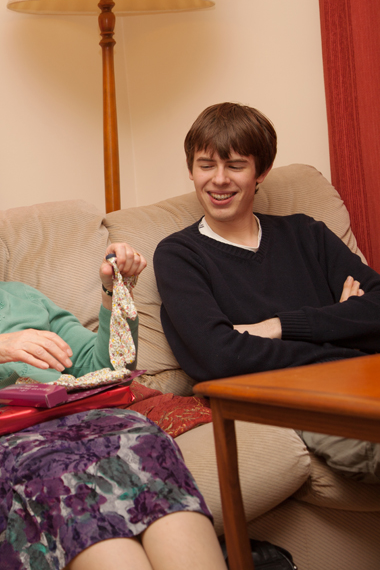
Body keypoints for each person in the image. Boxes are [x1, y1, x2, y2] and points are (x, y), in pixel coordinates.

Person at [0, 187, 225, 570]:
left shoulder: (23, 299)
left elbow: (104, 368)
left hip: (74, 414)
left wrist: (113, 294)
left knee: (146, 439)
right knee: (59, 472)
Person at [154, 102, 380, 482]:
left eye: (235, 166)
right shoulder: (179, 255)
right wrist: (344, 326)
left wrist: (277, 326)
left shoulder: (306, 233)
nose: (219, 179)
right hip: (297, 400)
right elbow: (217, 357)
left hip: (364, 376)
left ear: (261, 172)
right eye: (206, 165)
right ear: (191, 170)